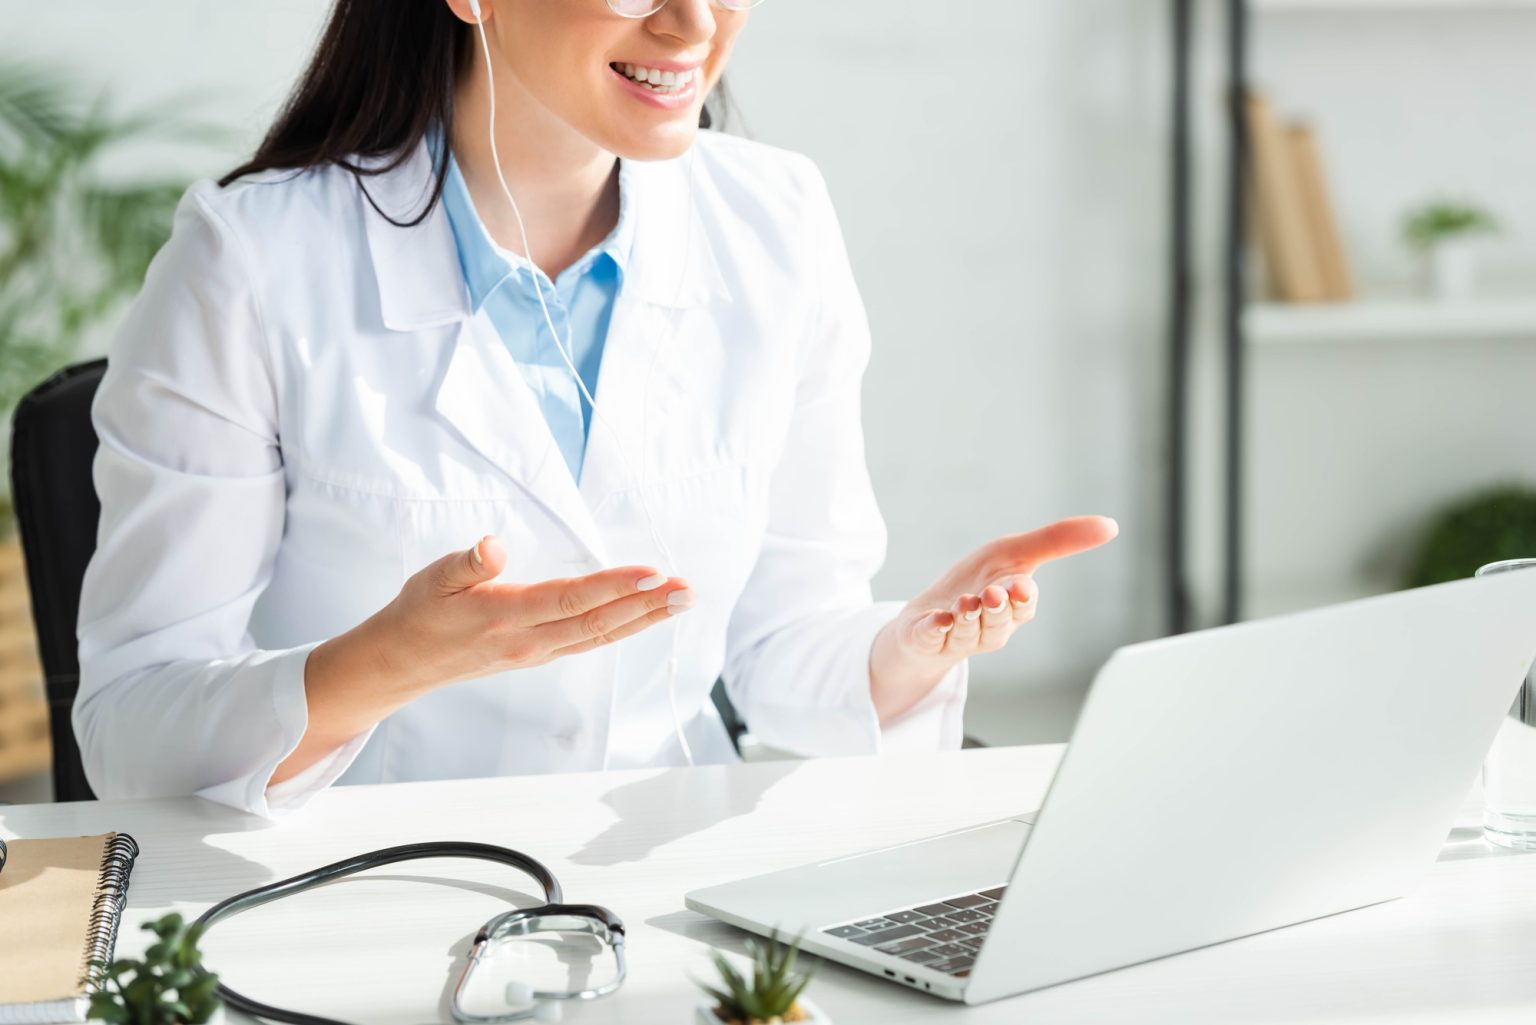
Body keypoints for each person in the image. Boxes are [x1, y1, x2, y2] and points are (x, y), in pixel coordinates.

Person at [74, 0, 1118, 818]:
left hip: (664, 891)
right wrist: (380, 663)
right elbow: (132, 729)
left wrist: (909, 647)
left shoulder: (776, 222)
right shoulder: (252, 261)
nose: (695, 23)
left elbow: (786, 641)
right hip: (351, 893)